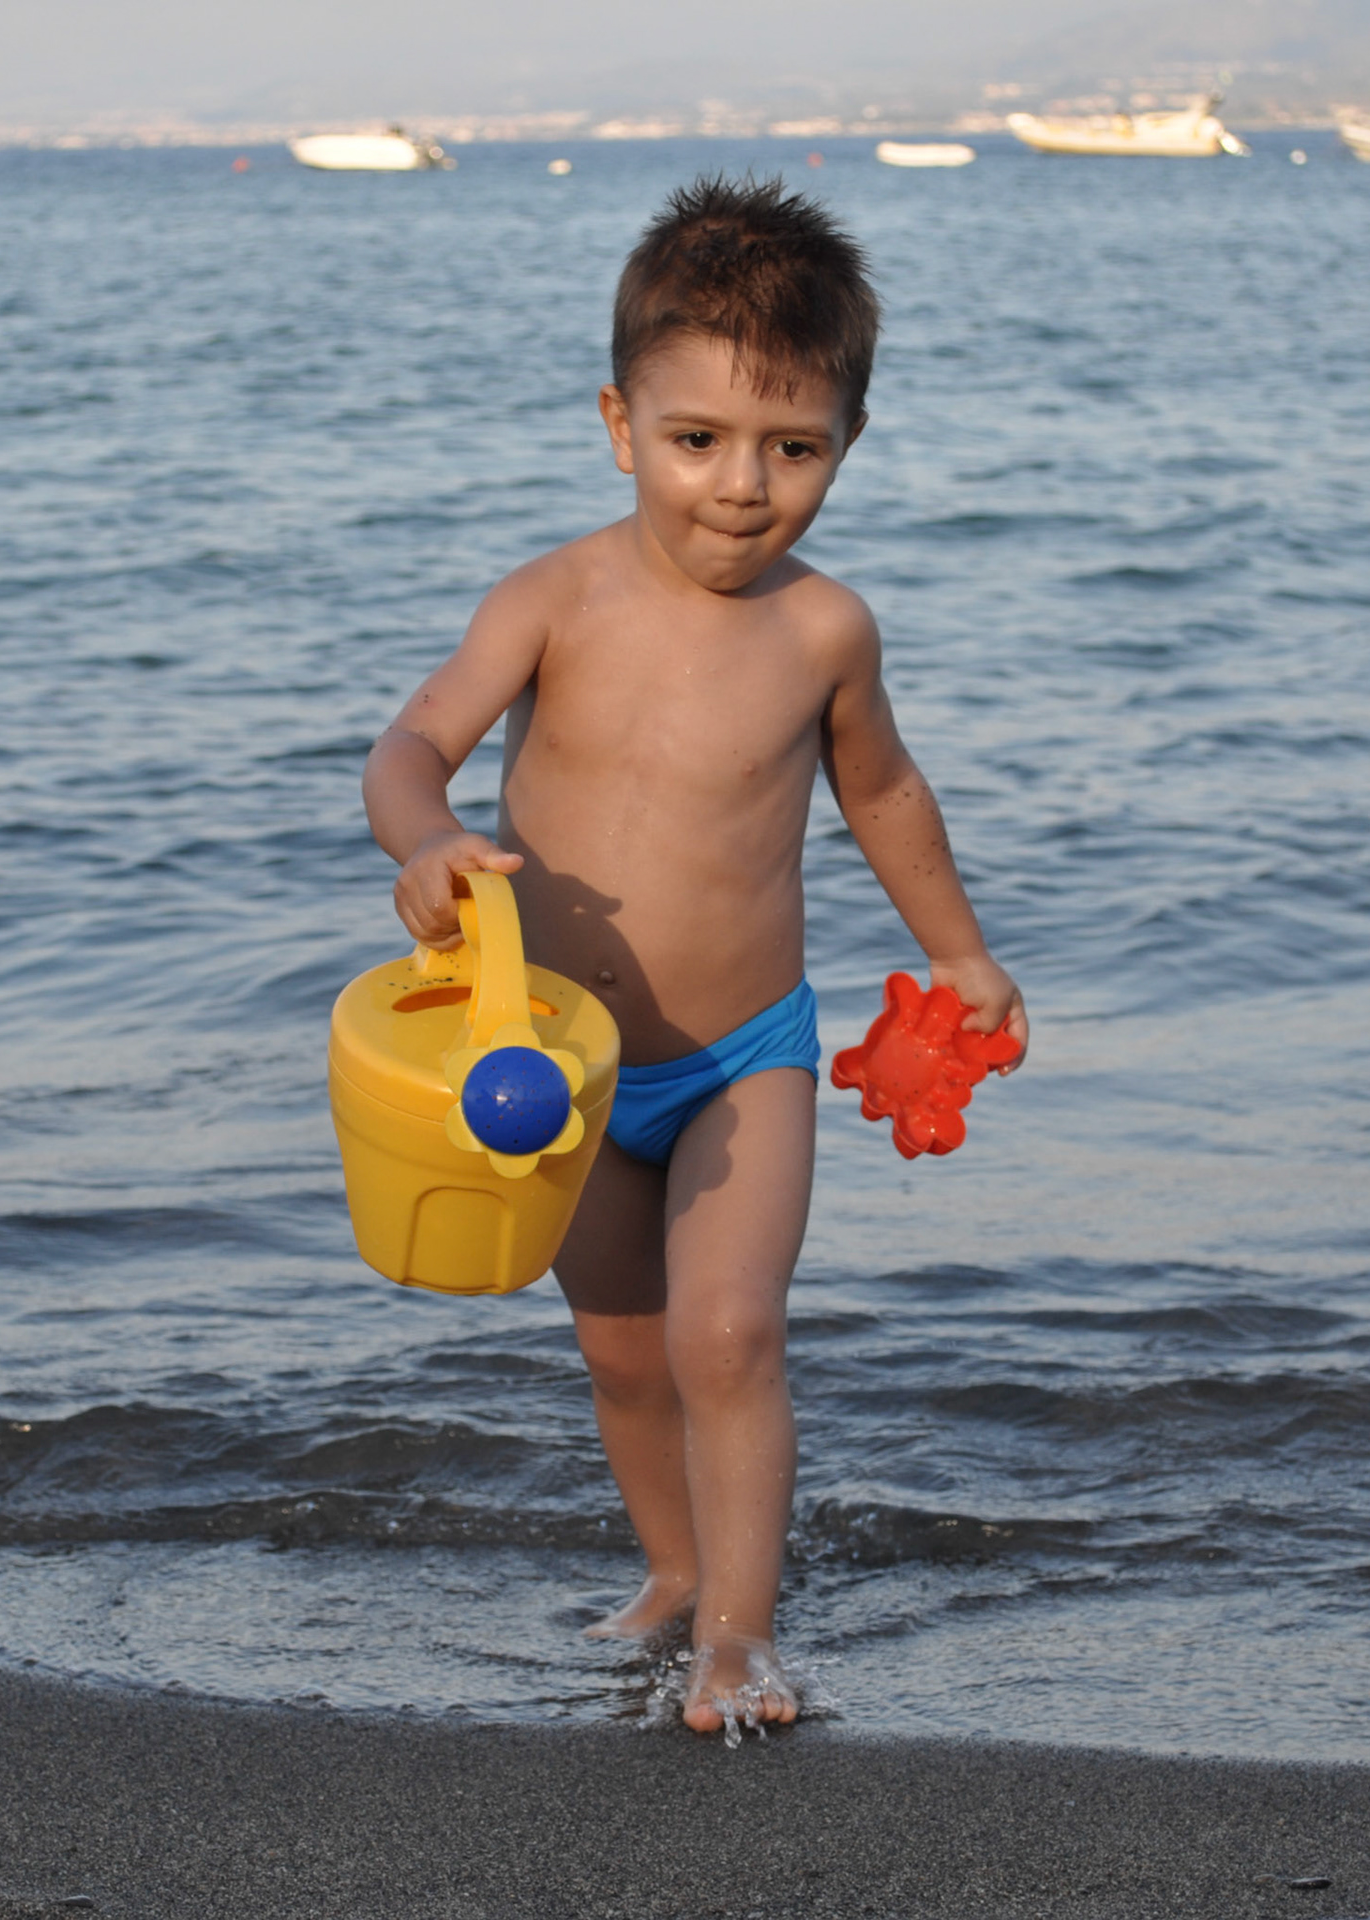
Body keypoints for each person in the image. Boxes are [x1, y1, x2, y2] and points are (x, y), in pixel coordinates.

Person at [362, 175, 1028, 1736]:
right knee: (624, 1354)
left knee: (729, 1334)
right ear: (620, 425)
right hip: (564, 1066)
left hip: (745, 1057)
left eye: (794, 450)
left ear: (848, 442)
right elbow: (410, 745)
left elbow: (884, 795)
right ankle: (671, 1574)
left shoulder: (824, 633)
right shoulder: (554, 600)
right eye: (698, 440)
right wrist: (425, 843)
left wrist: (964, 956)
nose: (742, 488)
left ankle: (740, 1636)